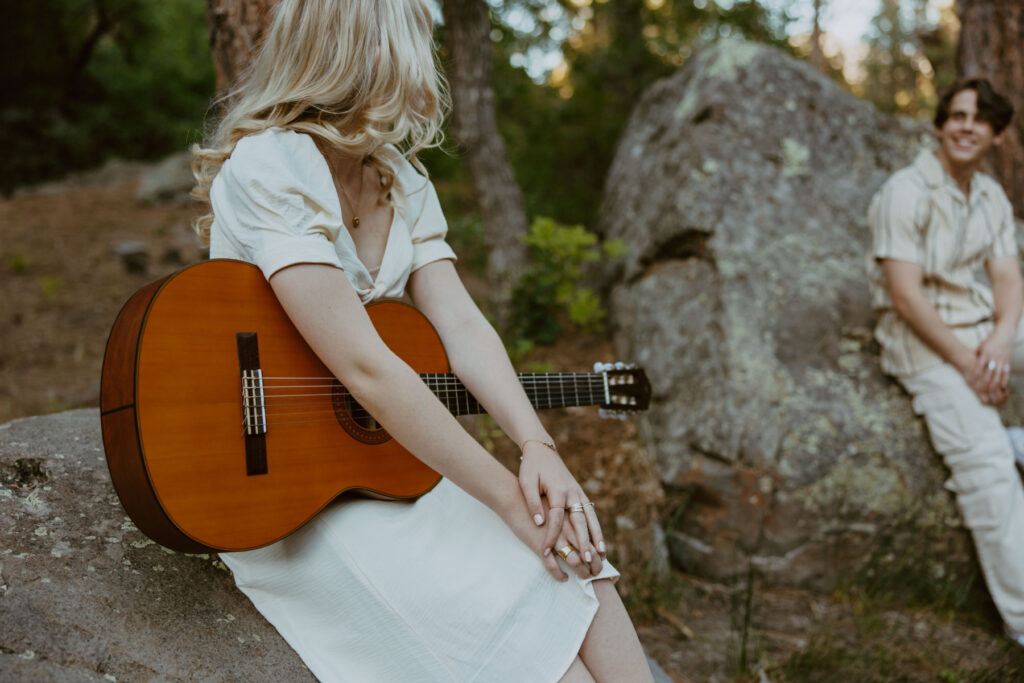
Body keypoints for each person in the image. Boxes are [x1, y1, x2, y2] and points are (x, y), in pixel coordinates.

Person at [190, 1, 655, 681]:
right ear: (369, 51)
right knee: (546, 659)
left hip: (379, 465)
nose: (427, 67)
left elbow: (462, 324)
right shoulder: (271, 167)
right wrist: (504, 495)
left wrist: (537, 448)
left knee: (585, 573)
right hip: (287, 487)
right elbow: (365, 367)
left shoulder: (399, 178)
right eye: (419, 43)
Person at [867, 77, 1024, 646]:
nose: (965, 126)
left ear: (997, 135)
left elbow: (1007, 276)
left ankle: (1017, 435)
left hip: (983, 331)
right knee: (987, 468)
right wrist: (968, 363)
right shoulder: (904, 191)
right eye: (956, 115)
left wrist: (1003, 339)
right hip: (923, 342)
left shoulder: (990, 196)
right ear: (938, 125)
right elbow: (906, 296)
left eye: (980, 119)